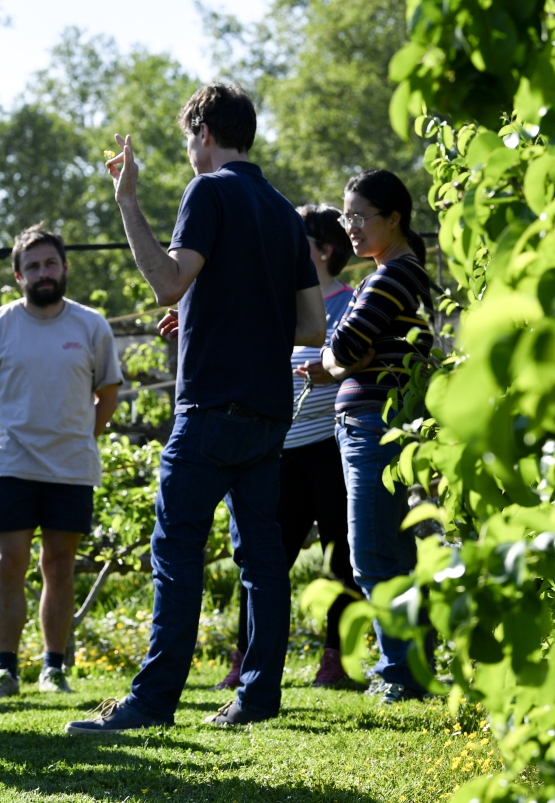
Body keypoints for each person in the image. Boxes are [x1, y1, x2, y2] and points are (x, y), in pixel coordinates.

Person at [65, 83, 327, 734]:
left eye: (188, 138)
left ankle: (152, 701)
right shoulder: (282, 211)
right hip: (268, 410)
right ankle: (257, 697)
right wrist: (215, 319)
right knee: (262, 558)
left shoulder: (208, 191)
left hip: (210, 407)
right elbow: (312, 326)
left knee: (176, 549)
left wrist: (127, 201)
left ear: (204, 133)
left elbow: (166, 280)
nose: (188, 151)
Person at [0, 224, 122, 700]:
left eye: (51, 263)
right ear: (17, 275)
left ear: (65, 268)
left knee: (59, 565)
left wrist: (80, 438)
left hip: (71, 468)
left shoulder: (91, 326)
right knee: (9, 563)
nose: (43, 272)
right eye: (33, 266)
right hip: (11, 466)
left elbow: (107, 395)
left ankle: (53, 668)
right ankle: (4, 671)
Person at [214, 203, 361, 692]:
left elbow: (353, 359)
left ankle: (336, 660)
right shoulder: (273, 301)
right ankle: (246, 660)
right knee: (262, 556)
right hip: (279, 450)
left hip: (331, 450)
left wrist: (331, 368)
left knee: (343, 557)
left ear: (321, 250)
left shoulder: (350, 301)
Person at [320, 169, 434, 705]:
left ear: (394, 218)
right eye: (346, 218)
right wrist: (345, 359)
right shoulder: (392, 274)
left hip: (374, 426)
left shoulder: (392, 276)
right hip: (374, 423)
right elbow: (354, 350)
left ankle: (400, 674)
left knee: (371, 555)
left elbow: (345, 346)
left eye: (360, 217)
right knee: (395, 552)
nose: (351, 228)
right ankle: (413, 668)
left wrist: (334, 361)